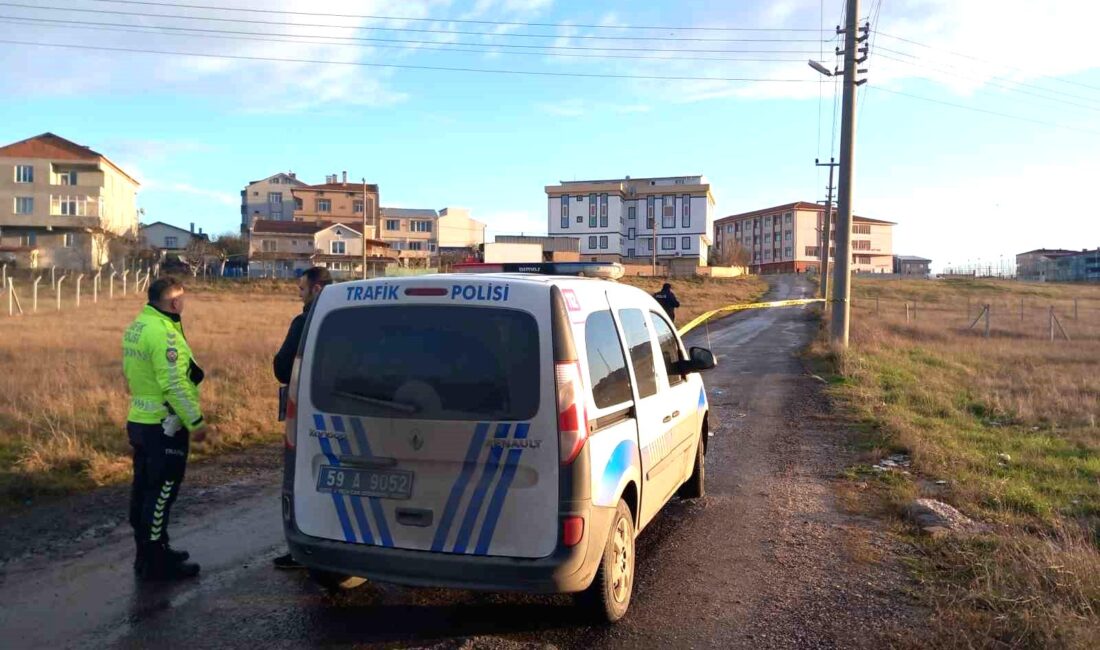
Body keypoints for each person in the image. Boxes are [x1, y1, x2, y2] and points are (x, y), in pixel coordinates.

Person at [122, 276, 206, 581]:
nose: (183, 304)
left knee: (144, 489)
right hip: (164, 425)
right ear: (174, 302)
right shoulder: (164, 334)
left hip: (140, 420)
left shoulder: (137, 326)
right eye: (182, 299)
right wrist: (195, 422)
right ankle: (156, 560)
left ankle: (146, 552)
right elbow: (173, 383)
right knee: (162, 492)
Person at [271, 267, 333, 570]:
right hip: (355, 410)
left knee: (304, 480)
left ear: (317, 289)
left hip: (310, 414)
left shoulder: (305, 322)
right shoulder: (355, 319)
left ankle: (303, 546)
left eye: (302, 289)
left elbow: (282, 369)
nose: (300, 294)